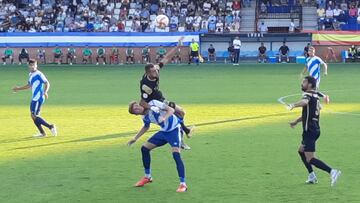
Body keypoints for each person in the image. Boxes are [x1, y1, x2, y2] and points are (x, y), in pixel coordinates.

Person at [287, 76, 341, 186]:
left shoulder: (307, 95)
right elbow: (308, 114)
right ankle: (312, 176)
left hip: (310, 130)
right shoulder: (315, 96)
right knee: (301, 151)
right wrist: (296, 121)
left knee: (310, 158)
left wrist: (293, 105)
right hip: (314, 129)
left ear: (310, 85)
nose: (302, 84)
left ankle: (332, 171)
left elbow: (304, 102)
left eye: (304, 82)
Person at [127, 100, 188, 192]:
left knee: (176, 154)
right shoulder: (144, 116)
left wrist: (164, 117)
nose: (138, 107)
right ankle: (148, 177)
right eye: (135, 109)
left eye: (137, 105)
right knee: (144, 148)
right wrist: (135, 138)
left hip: (174, 130)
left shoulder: (153, 103)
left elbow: (171, 110)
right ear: (136, 114)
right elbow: (146, 126)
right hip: (164, 132)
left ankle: (183, 184)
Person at [140, 63, 194, 150]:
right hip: (158, 104)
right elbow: (143, 101)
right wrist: (152, 107)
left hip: (162, 99)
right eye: (153, 71)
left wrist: (174, 50)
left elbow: (162, 62)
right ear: (148, 73)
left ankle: (186, 131)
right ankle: (182, 139)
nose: (156, 72)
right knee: (176, 118)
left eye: (155, 70)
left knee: (181, 112)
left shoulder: (154, 72)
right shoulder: (146, 86)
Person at [12, 59, 57, 138]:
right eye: (31, 65)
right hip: (36, 97)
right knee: (35, 116)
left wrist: (45, 92)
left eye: (34, 65)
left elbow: (47, 83)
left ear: (36, 65)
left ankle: (50, 126)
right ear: (29, 66)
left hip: (38, 97)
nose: (32, 67)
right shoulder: (30, 74)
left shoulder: (39, 74)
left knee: (33, 115)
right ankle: (43, 133)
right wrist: (18, 88)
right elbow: (29, 86)